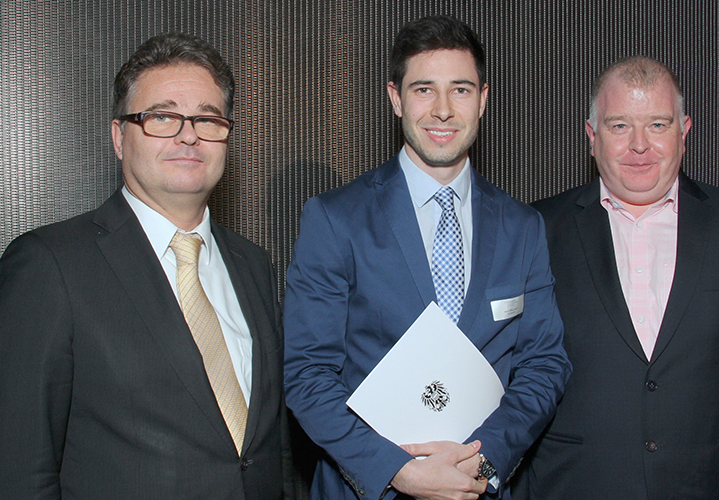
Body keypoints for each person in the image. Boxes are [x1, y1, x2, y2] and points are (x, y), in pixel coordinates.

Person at [283, 15, 571, 500]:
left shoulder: (522, 227)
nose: (442, 110)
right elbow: (308, 375)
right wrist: (396, 470)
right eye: (423, 90)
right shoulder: (335, 220)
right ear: (396, 98)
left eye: (460, 90)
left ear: (483, 99)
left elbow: (544, 365)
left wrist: (484, 461)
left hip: (481, 485)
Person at [0, 33, 293, 499]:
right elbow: (19, 470)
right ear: (119, 137)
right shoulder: (49, 265)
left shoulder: (253, 264)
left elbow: (271, 446)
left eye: (207, 118)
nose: (188, 135)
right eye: (162, 117)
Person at [517, 56, 719, 499]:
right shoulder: (534, 229)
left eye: (657, 125)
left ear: (684, 132)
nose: (639, 145)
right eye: (619, 126)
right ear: (592, 137)